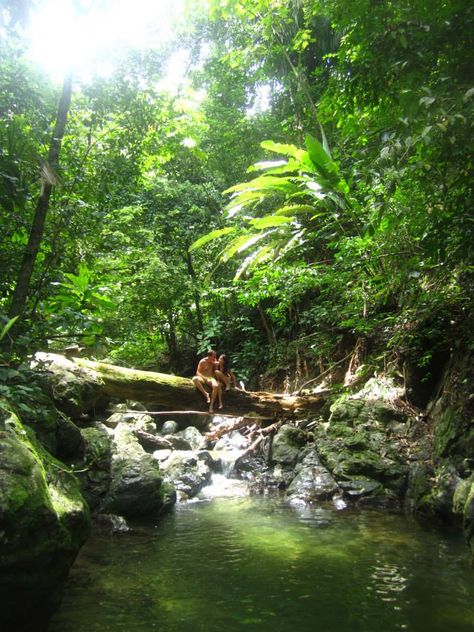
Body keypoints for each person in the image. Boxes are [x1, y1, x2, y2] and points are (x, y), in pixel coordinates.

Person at [192, 349, 222, 413]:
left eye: (215, 356)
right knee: (194, 379)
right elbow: (197, 372)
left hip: (211, 378)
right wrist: (204, 378)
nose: (215, 358)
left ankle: (211, 406)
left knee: (216, 386)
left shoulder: (214, 361)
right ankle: (206, 394)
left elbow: (218, 369)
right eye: (214, 356)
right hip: (203, 377)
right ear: (209, 356)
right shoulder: (202, 361)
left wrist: (216, 365)